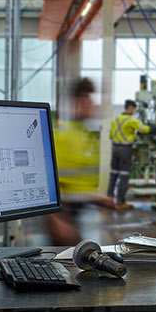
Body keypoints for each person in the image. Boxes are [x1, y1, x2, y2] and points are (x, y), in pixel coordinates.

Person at [46, 77, 115, 245]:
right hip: (65, 217)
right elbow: (47, 186)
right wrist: (56, 221)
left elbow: (79, 181)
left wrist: (98, 198)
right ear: (74, 101)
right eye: (86, 97)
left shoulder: (85, 134)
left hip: (83, 214)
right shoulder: (60, 135)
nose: (91, 102)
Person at [106, 99, 150, 208]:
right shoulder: (131, 121)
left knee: (113, 175)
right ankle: (120, 201)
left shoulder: (115, 120)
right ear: (130, 108)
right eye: (134, 109)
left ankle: (109, 200)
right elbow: (145, 129)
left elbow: (111, 136)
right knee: (124, 175)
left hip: (115, 148)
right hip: (125, 149)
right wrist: (153, 127)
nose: (134, 111)